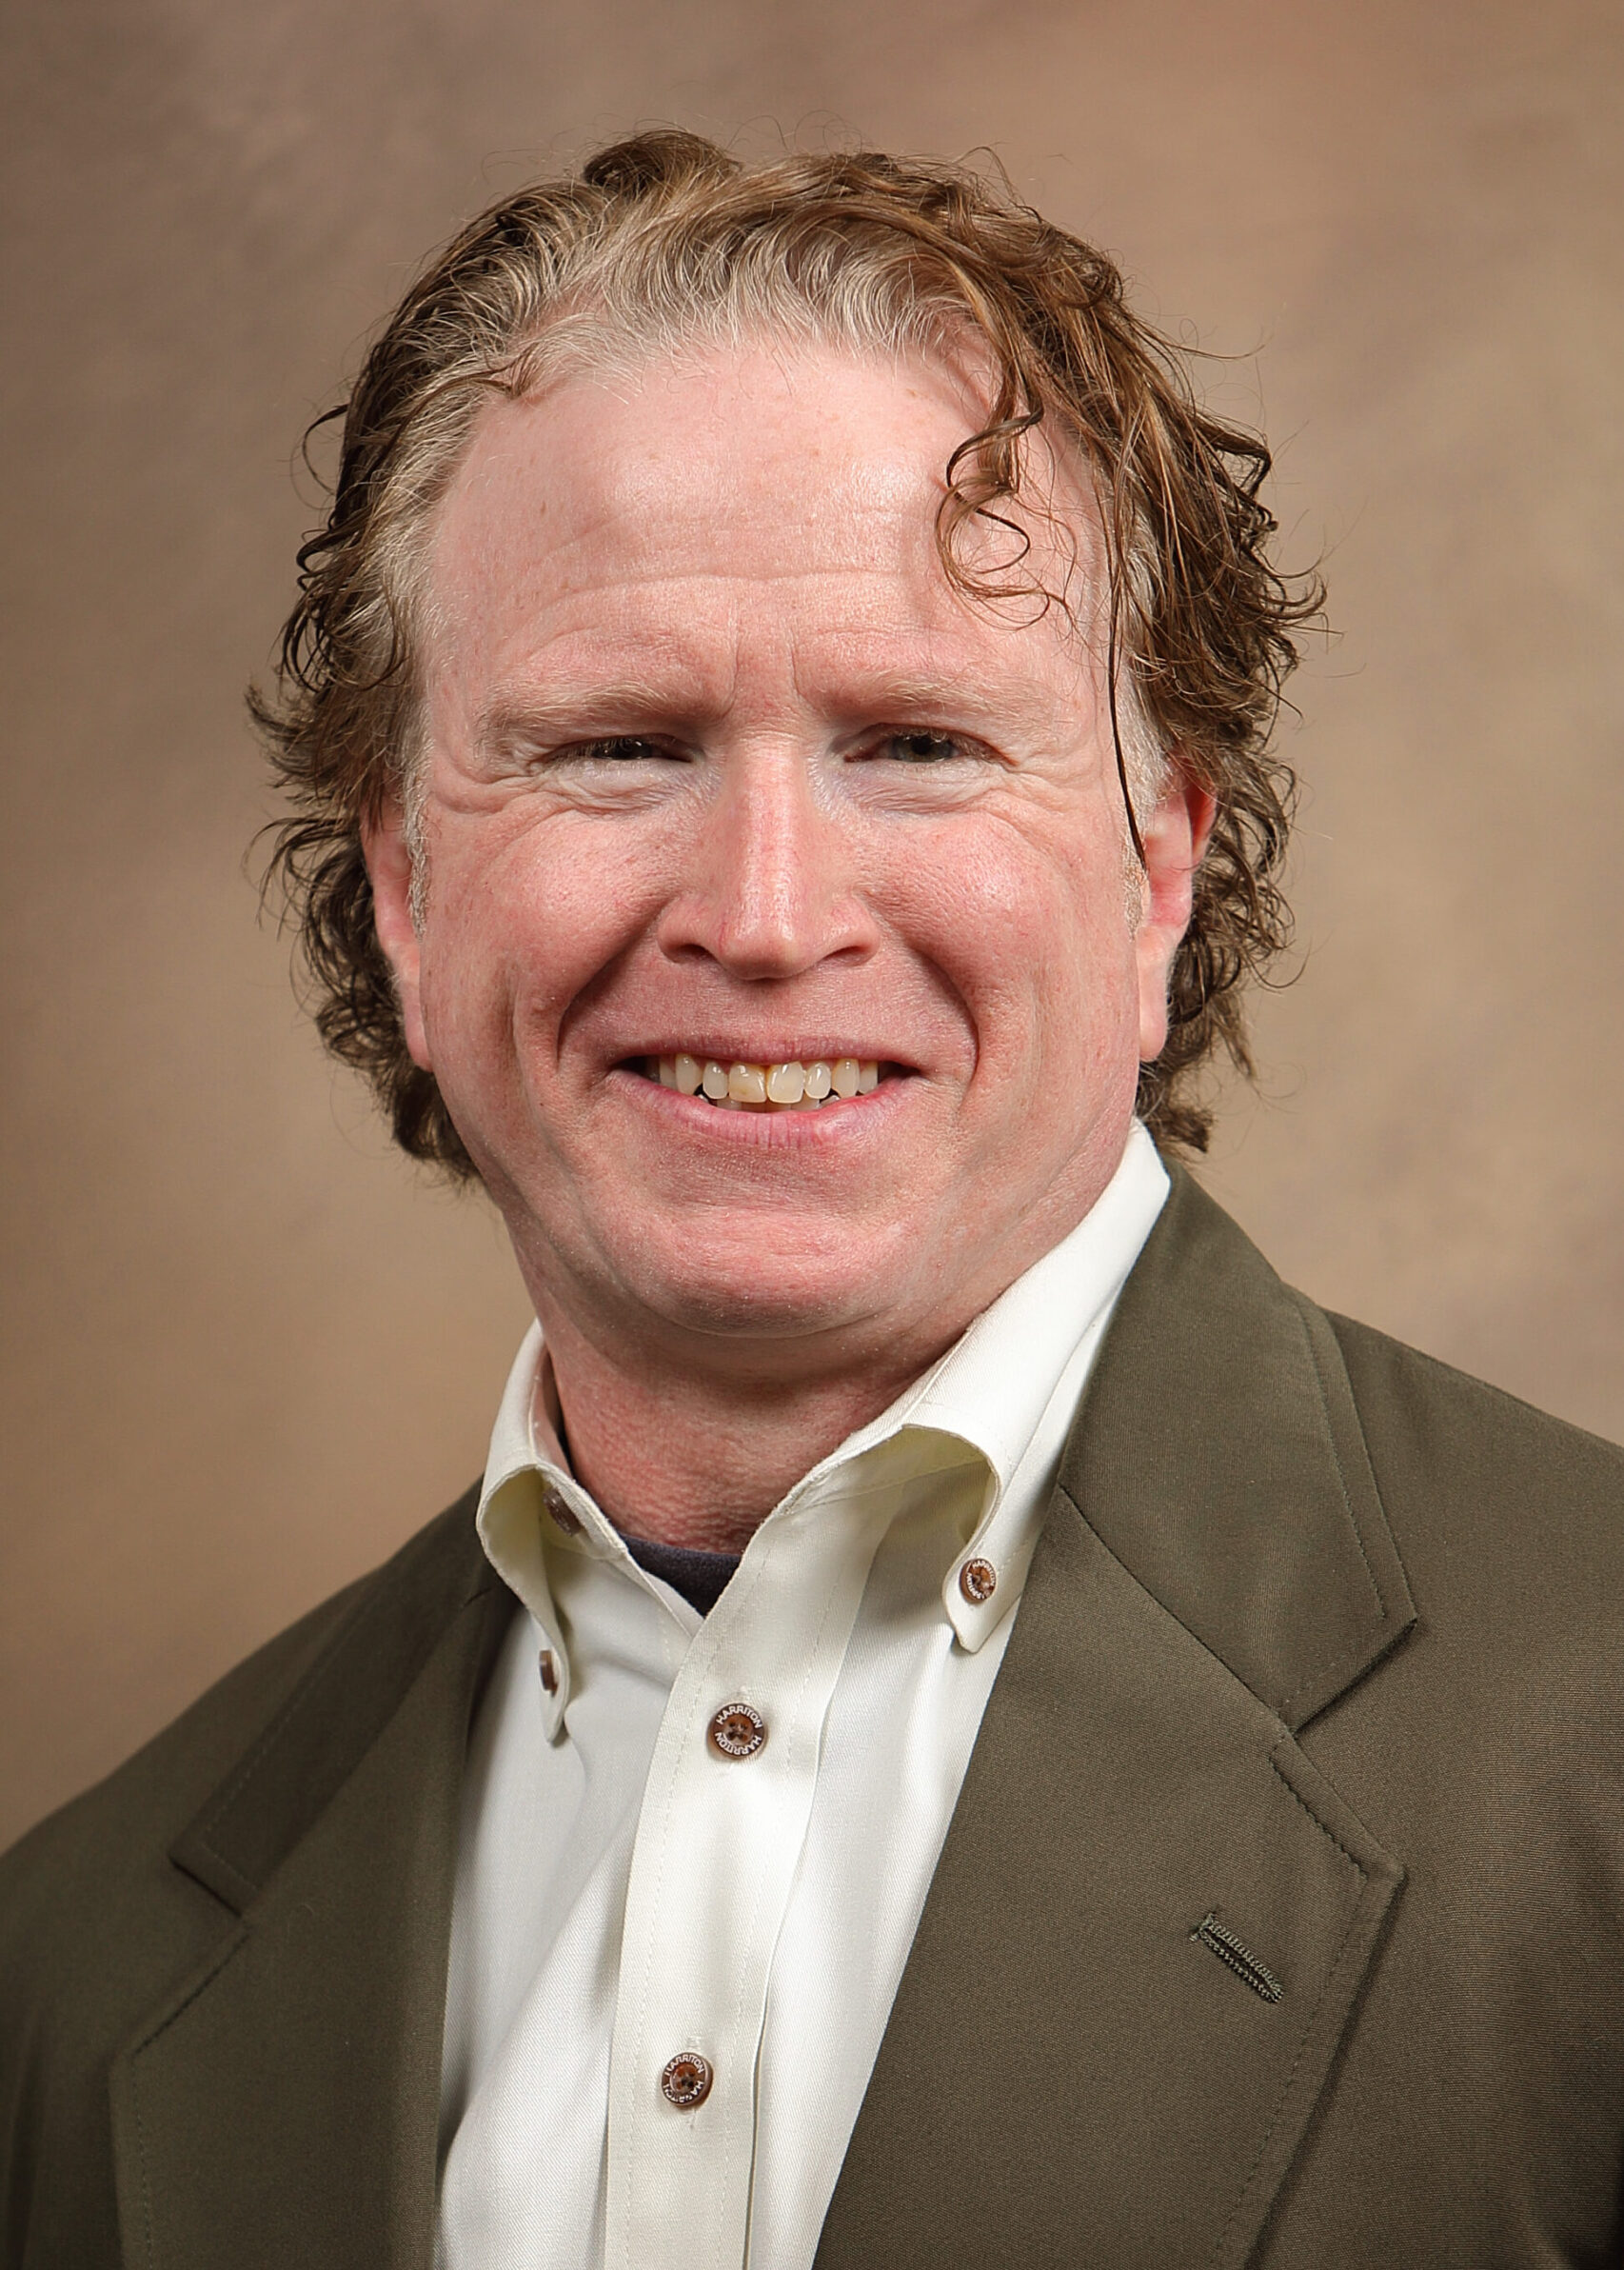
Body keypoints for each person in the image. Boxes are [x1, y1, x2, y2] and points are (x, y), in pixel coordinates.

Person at [3, 131, 1622, 2270]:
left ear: (1162, 865)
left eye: (919, 741)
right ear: (399, 878)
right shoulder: (77, 1966)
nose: (765, 918)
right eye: (614, 743)